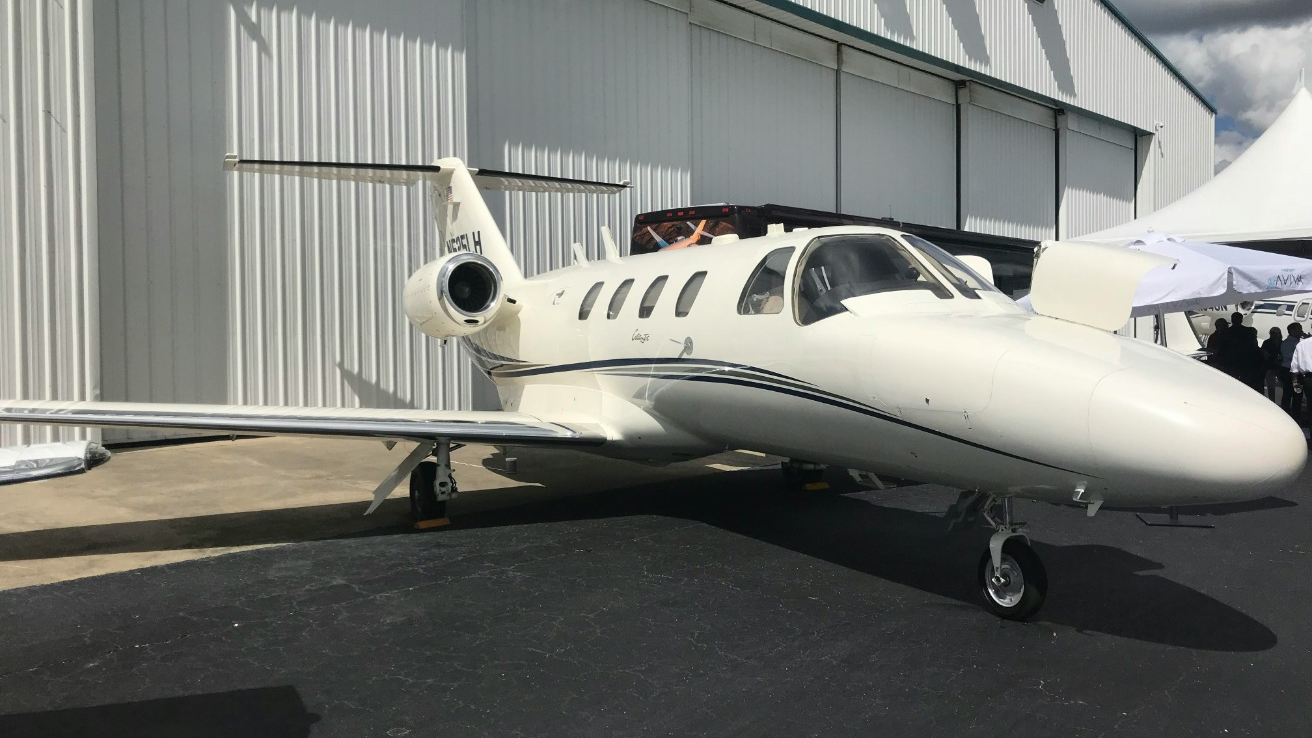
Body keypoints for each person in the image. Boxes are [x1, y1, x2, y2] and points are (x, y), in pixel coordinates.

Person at [1228, 311, 1264, 391]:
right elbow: (1254, 346)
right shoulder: (1248, 332)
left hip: (1230, 362)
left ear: (1231, 320)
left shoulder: (1226, 332)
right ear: (1241, 320)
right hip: (1245, 363)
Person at [1281, 323, 1304, 418]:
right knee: (1288, 394)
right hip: (1289, 372)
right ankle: (1285, 415)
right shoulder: (1287, 343)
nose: (1301, 331)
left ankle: (1296, 416)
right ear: (1292, 331)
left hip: (1297, 373)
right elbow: (1288, 356)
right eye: (1299, 329)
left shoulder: (1298, 342)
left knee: (1297, 395)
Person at [1289, 330, 1312, 427]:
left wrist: (1295, 382)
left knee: (1310, 406)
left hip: (1309, 379)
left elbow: (1294, 367)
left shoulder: (1301, 344)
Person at [1262, 326, 1284, 401]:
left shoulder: (1282, 343)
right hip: (1270, 367)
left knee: (1284, 386)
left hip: (1280, 367)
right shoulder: (1267, 343)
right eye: (1272, 333)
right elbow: (1264, 354)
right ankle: (1272, 402)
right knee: (1271, 386)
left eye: (1275, 333)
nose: (1273, 335)